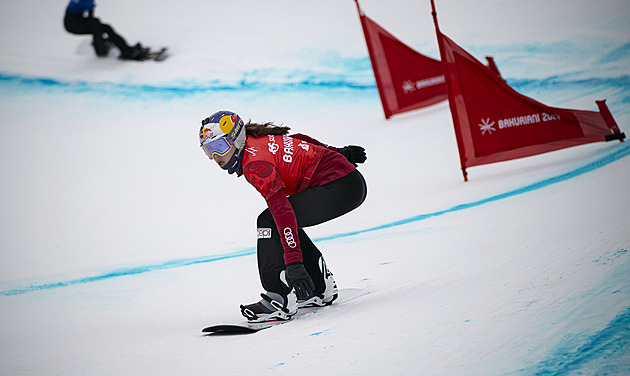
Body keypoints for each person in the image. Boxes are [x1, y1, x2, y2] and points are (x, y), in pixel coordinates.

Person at [199, 110, 367, 322]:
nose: (216, 158)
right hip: (346, 181)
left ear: (237, 139)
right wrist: (337, 152)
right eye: (209, 151)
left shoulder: (255, 164)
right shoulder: (257, 140)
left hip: (340, 186)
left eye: (220, 148)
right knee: (281, 219)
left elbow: (282, 211)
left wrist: (293, 264)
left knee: (268, 221)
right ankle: (317, 286)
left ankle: (278, 298)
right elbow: (298, 140)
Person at [64, 0, 149, 60]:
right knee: (97, 28)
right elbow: (88, 13)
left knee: (103, 27)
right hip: (73, 24)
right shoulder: (87, 1)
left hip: (75, 20)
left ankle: (123, 49)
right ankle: (103, 51)